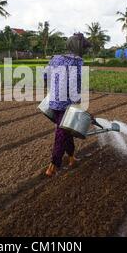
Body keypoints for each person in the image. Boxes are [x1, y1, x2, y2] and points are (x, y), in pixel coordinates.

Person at [44, 33, 91, 177]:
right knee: (62, 132)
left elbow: (45, 76)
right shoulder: (78, 62)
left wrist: (53, 89)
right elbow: (77, 86)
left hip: (54, 101)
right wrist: (77, 103)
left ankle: (71, 158)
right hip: (67, 105)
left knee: (66, 130)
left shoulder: (55, 58)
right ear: (80, 48)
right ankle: (53, 165)